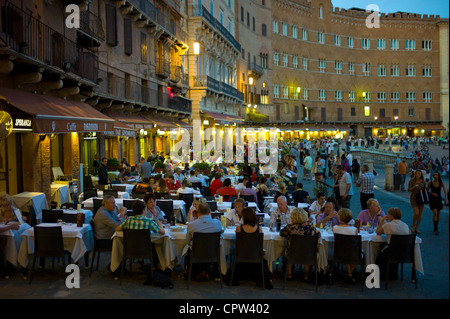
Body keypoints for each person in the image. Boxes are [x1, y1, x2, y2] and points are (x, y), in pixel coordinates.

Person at [115, 200, 164, 285]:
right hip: (146, 251)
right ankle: (158, 269)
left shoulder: (129, 220)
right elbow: (162, 232)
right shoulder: (149, 222)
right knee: (157, 246)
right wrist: (160, 225)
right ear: (143, 210)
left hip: (130, 250)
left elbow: (117, 228)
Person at [229, 207, 273, 289]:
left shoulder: (239, 228)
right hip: (255, 255)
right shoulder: (258, 229)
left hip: (241, 255)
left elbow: (238, 241)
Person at [185, 202, 224, 281]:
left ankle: (198, 272)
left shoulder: (191, 225)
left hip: (196, 253)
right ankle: (207, 271)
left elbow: (187, 241)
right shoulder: (217, 223)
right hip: (212, 252)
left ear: (198, 212)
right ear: (210, 211)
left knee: (189, 249)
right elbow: (222, 232)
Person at [280, 208, 320, 281]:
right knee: (307, 251)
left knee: (288, 251)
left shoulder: (289, 228)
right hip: (308, 254)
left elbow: (281, 233)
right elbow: (318, 235)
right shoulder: (311, 228)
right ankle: (306, 275)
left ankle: (289, 274)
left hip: (292, 253)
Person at [375, 207, 411, 280]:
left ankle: (382, 272)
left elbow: (378, 232)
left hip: (391, 251)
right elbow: (409, 234)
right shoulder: (405, 225)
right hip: (404, 251)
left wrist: (382, 220)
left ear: (391, 216)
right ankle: (393, 273)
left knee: (379, 251)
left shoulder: (389, 225)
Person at [333, 208, 359, 283]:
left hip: (339, 252)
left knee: (346, 251)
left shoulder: (335, 228)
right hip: (351, 253)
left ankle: (349, 274)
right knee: (357, 253)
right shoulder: (354, 229)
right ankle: (350, 273)